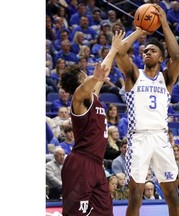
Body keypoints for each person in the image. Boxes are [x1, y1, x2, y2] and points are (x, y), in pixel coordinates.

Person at [115, 4, 179, 216]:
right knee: (135, 197)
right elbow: (120, 53)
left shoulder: (166, 78)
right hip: (138, 140)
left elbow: (176, 57)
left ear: (160, 58)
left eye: (152, 51)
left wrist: (163, 22)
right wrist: (139, 30)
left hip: (161, 138)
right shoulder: (135, 75)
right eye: (145, 51)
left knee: (172, 195)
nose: (147, 52)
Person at [60, 30, 125, 216]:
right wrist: (95, 78)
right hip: (80, 163)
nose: (90, 76)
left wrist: (113, 49)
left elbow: (103, 68)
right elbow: (84, 87)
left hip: (97, 165)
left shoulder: (92, 96)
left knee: (105, 212)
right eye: (85, 75)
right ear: (80, 81)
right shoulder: (78, 100)